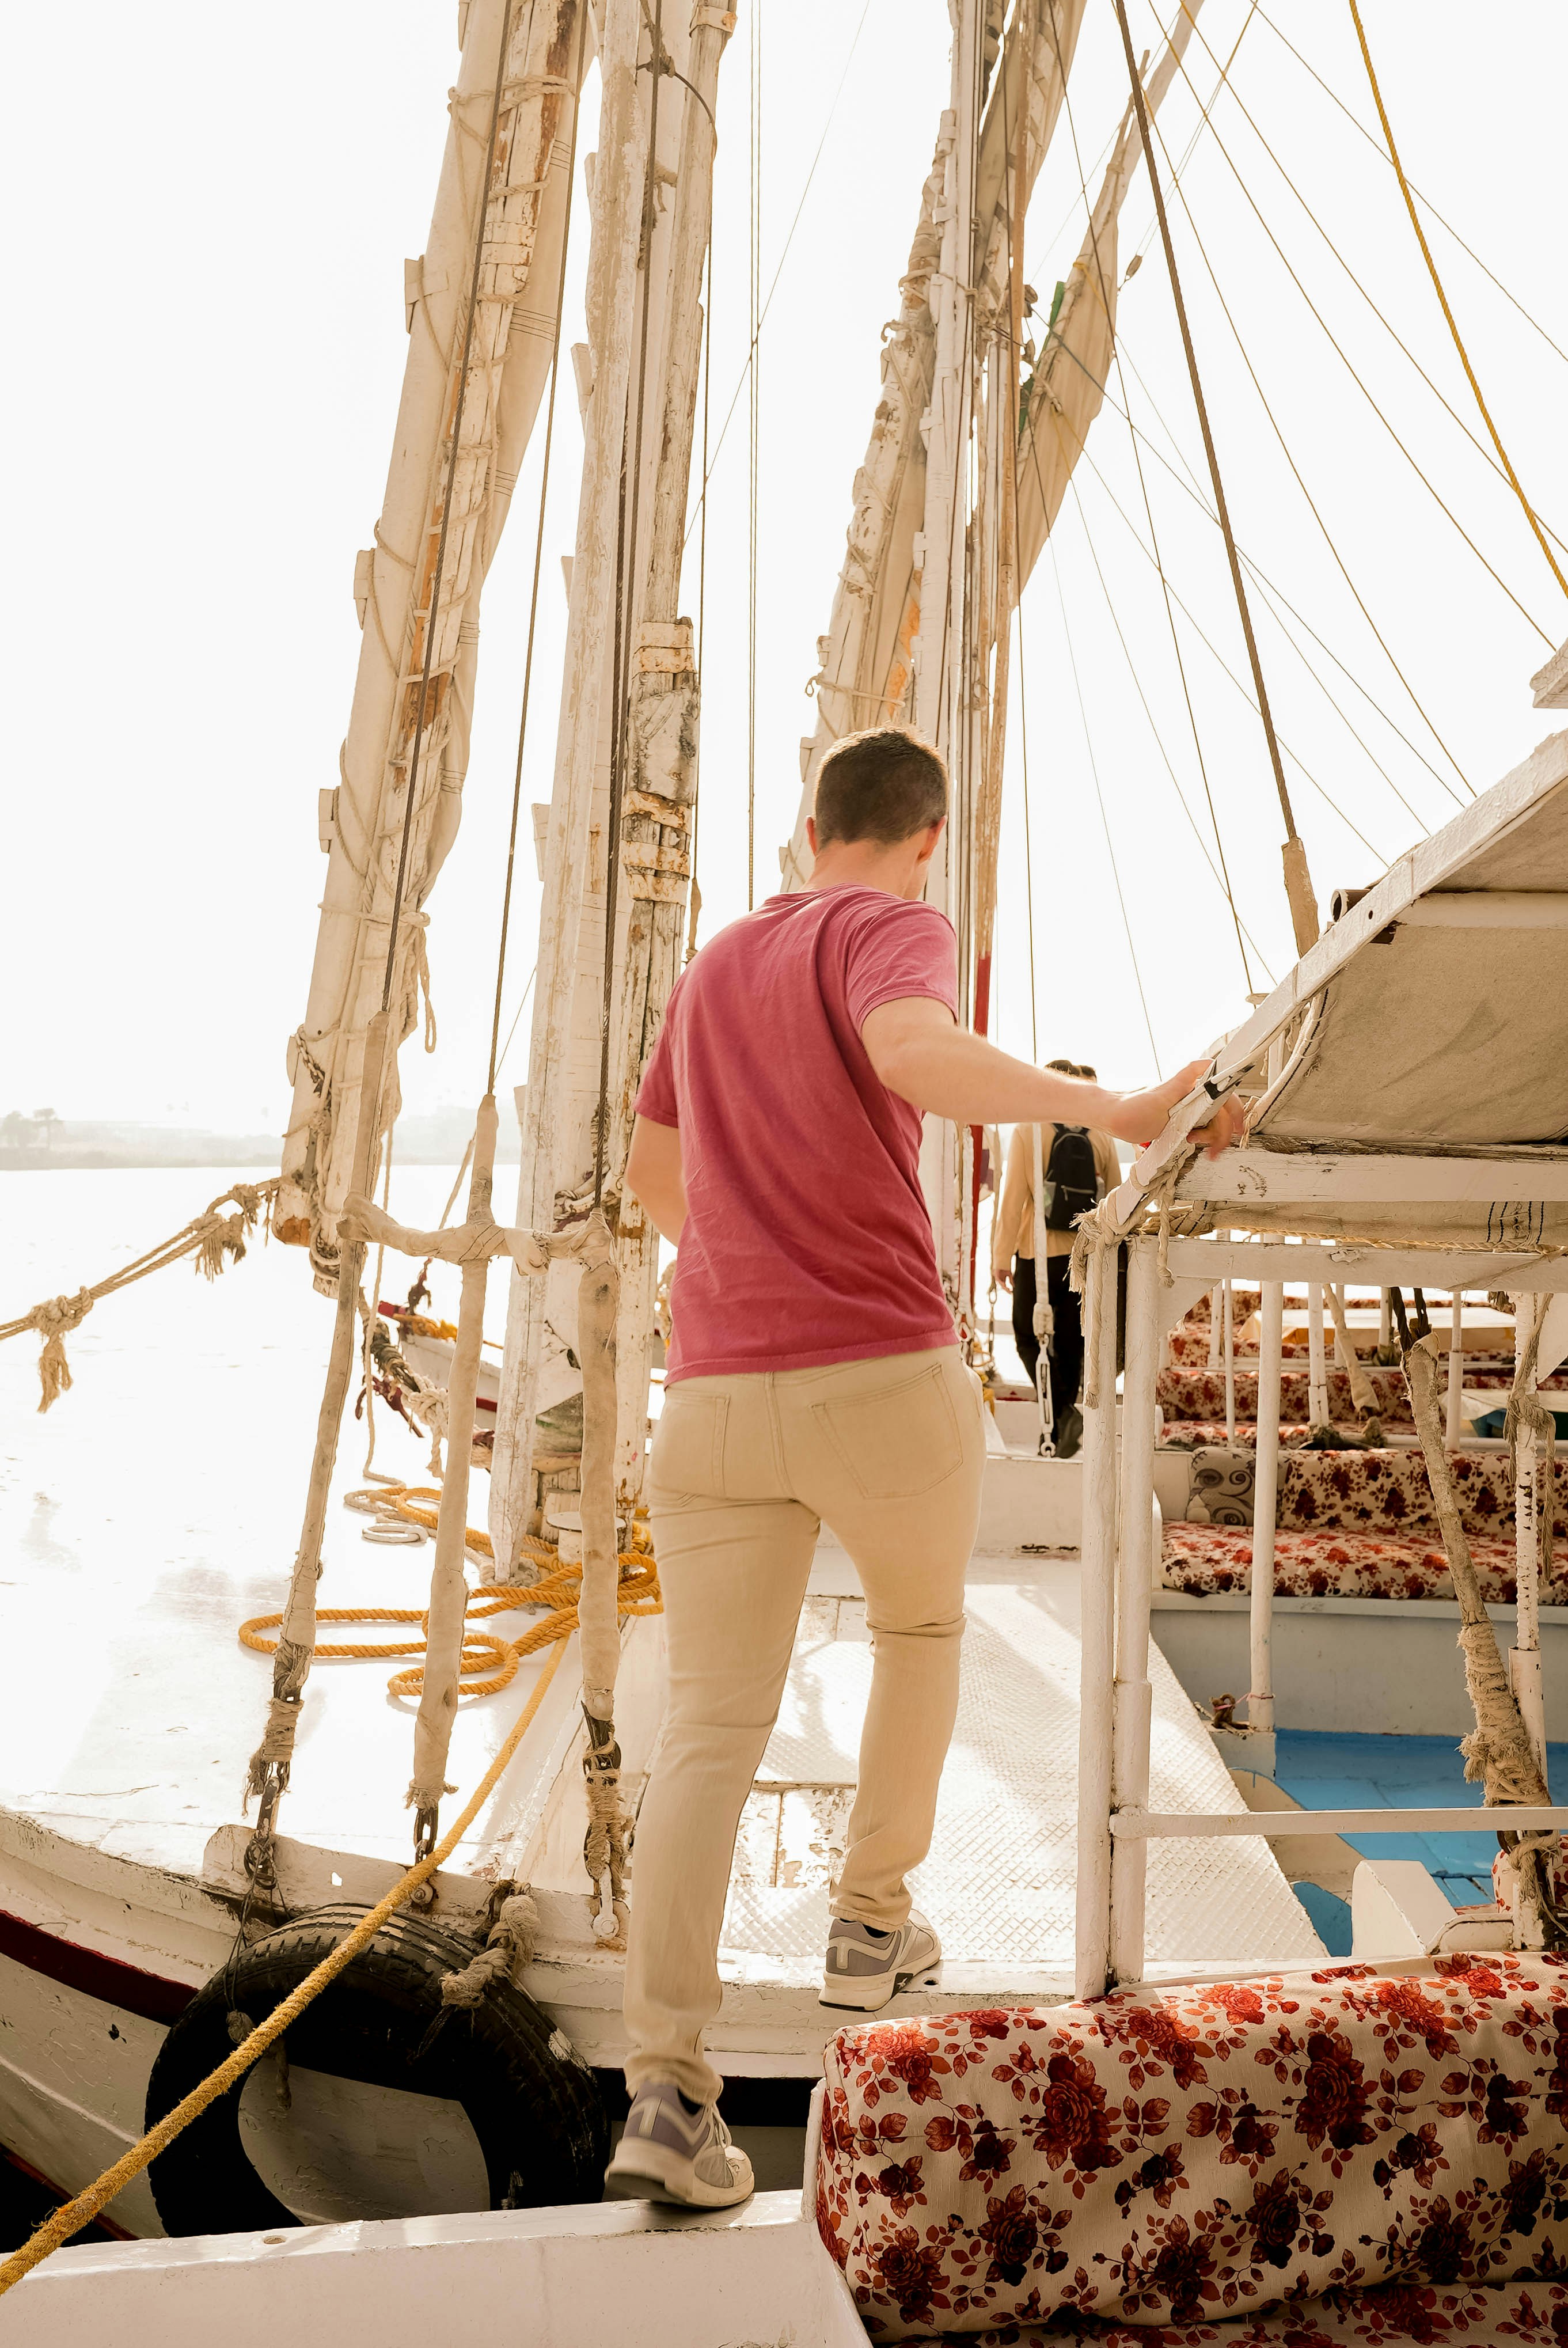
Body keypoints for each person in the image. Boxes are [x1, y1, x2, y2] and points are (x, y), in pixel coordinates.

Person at [604, 724, 1240, 2209]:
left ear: (806, 822)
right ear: (927, 834)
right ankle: (869, 1924)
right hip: (877, 1370)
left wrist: (750, 1257)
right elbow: (909, 1053)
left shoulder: (713, 970)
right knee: (919, 1629)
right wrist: (1119, 1105)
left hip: (710, 1395)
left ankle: (663, 2088)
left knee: (708, 1728)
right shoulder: (893, 927)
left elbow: (648, 1176)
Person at [993, 1063, 1119, 1458]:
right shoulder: (1101, 1134)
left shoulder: (1028, 1130)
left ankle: (1061, 1417)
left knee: (1027, 1336)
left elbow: (1013, 1200)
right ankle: (1062, 1420)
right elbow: (1115, 1199)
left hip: (1036, 1253)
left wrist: (1000, 1256)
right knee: (1071, 1343)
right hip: (1083, 1256)